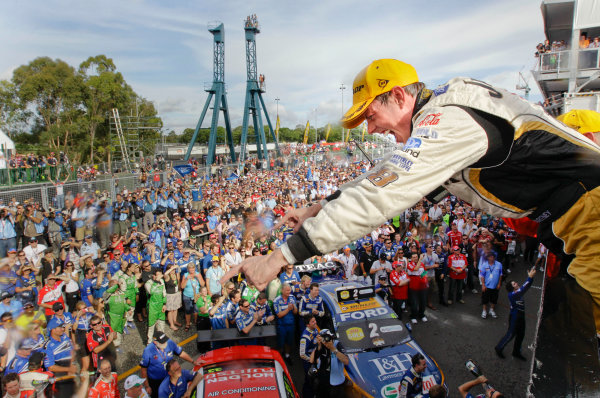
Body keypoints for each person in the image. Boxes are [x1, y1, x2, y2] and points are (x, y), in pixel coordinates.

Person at [221, 58, 600, 365]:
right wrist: (316, 206)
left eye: (370, 115)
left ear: (399, 96)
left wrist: (280, 258)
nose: (372, 129)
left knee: (582, 346)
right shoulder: (443, 113)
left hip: (591, 216)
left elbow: (382, 195)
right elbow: (381, 175)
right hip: (573, 220)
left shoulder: (448, 119)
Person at [139, 331, 201, 398]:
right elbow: (143, 370)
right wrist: (147, 386)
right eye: (162, 342)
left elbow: (181, 353)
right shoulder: (148, 351)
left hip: (171, 376)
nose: (165, 343)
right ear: (155, 342)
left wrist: (193, 362)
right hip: (156, 381)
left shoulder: (169, 342)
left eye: (165, 341)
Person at [495, 268, 536, 360]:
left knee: (521, 334)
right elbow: (523, 288)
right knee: (511, 334)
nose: (516, 283)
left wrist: (531, 278)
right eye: (514, 284)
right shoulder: (512, 295)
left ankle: (516, 352)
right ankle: (499, 347)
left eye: (515, 282)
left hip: (521, 316)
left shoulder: (517, 293)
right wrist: (529, 277)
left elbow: (526, 287)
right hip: (515, 316)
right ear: (511, 287)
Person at [310, 329, 349, 397]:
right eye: (324, 339)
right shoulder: (321, 345)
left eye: (328, 338)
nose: (326, 341)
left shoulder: (337, 344)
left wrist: (333, 348)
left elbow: (346, 361)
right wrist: (318, 345)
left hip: (336, 382)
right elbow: (311, 360)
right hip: (323, 379)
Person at [273, 284, 297, 361]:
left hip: (291, 324)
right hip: (281, 325)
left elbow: (296, 312)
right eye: (287, 290)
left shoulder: (292, 298)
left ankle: (287, 355)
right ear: (282, 291)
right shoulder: (276, 300)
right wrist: (288, 309)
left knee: (289, 341)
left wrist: (293, 308)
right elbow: (279, 315)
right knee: (280, 342)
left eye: (289, 290)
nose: (288, 292)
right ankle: (279, 358)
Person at [299, 315, 319, 398]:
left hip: (315, 360)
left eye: (315, 320)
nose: (315, 322)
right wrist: (312, 360)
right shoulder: (305, 337)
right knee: (309, 381)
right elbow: (302, 354)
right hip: (308, 363)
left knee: (315, 379)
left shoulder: (315, 330)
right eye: (313, 322)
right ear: (307, 325)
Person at [479, 253, 502, 319]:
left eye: (493, 257)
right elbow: (482, 276)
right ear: (488, 258)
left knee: (494, 299)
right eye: (490, 257)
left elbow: (500, 274)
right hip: (486, 286)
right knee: (485, 299)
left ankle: (491, 310)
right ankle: (484, 311)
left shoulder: (499, 264)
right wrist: (483, 285)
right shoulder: (484, 265)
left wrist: (499, 283)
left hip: (495, 286)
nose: (492, 258)